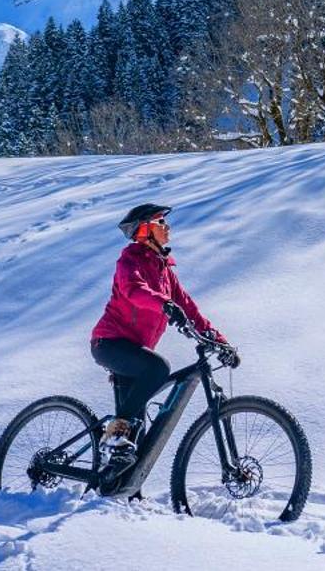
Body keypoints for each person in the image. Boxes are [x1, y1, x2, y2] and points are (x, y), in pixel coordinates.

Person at [89, 202, 238, 473]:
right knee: (158, 368)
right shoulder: (129, 261)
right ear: (145, 230)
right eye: (161, 223)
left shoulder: (165, 271)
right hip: (109, 343)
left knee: (138, 435)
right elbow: (134, 289)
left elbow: (191, 310)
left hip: (134, 350)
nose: (167, 228)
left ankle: (126, 492)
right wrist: (164, 304)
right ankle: (113, 434)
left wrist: (220, 342)